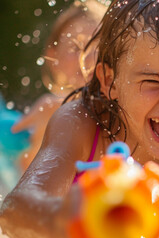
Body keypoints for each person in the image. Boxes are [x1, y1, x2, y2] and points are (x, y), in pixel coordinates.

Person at [0, 0, 159, 238]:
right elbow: (13, 212)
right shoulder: (79, 124)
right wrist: (65, 217)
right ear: (109, 81)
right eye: (154, 81)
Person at [11, 0, 106, 170]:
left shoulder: (115, 109)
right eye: (76, 47)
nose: (87, 58)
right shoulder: (45, 111)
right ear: (53, 58)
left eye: (98, 48)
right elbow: (24, 178)